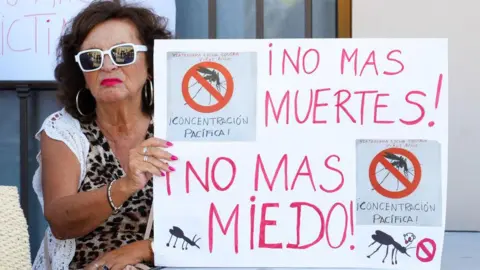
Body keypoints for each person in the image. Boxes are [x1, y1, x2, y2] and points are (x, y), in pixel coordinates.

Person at [31, 1, 175, 269]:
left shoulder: (178, 126)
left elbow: (208, 225)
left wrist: (142, 250)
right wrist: (125, 185)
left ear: (150, 63)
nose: (107, 66)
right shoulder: (63, 129)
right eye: (93, 57)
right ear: (82, 73)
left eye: (123, 53)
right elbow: (60, 222)